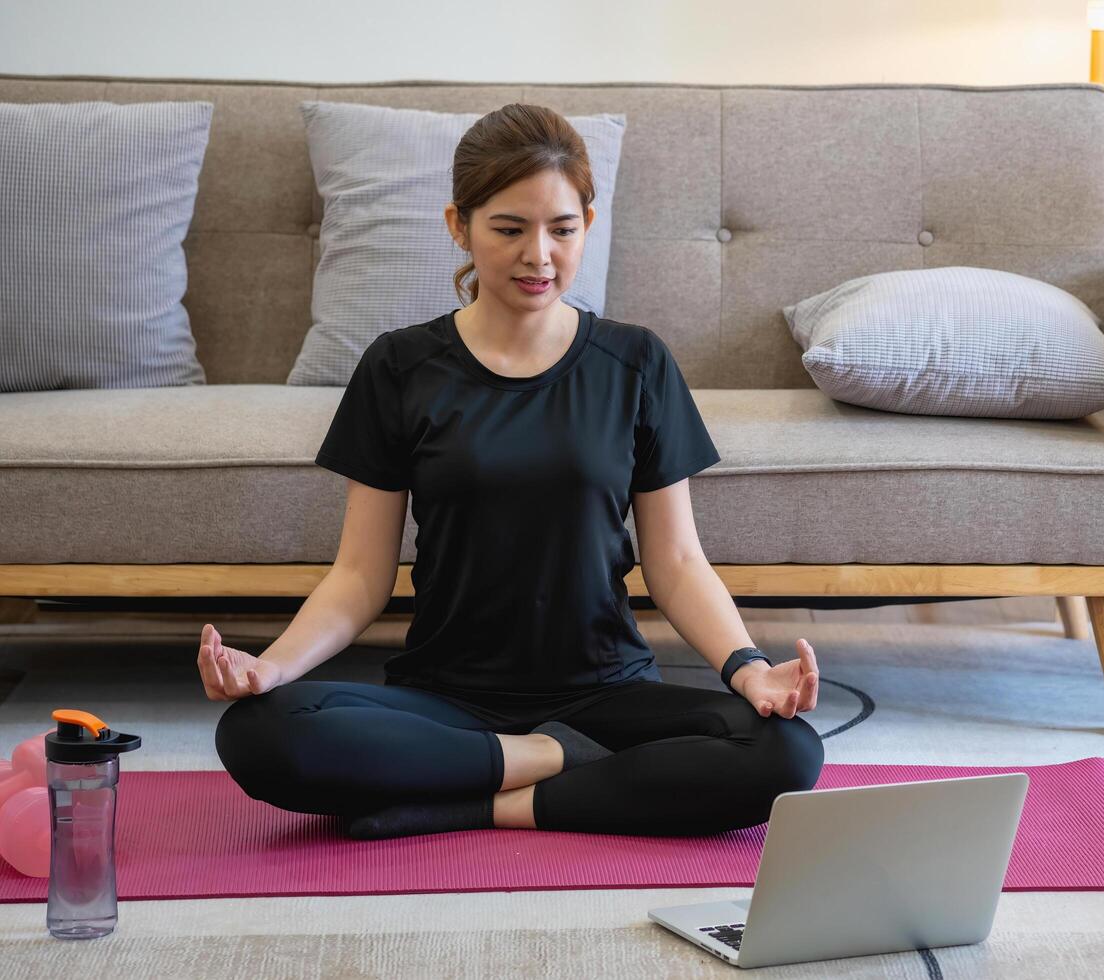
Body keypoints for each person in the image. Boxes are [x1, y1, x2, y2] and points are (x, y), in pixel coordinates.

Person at [205, 104, 823, 840]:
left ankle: (478, 801)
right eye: (509, 229)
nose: (540, 255)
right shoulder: (400, 367)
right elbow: (359, 576)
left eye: (562, 229)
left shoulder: (636, 362)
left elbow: (679, 561)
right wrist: (271, 669)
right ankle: (550, 761)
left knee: (785, 750)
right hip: (446, 697)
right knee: (259, 734)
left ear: (586, 226)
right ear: (458, 225)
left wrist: (748, 669)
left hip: (607, 692)